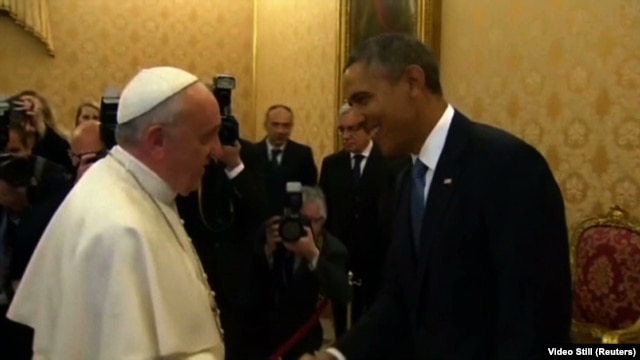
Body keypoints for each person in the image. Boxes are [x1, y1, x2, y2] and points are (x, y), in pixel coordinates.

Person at [303, 34, 572, 360]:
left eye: (363, 100)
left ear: (413, 82)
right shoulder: (405, 178)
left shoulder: (506, 166)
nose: (356, 118)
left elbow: (534, 322)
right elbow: (398, 301)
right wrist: (335, 357)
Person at [7, 66, 226, 359]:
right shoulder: (119, 230)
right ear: (157, 140)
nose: (217, 152)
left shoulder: (129, 185)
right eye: (206, 137)